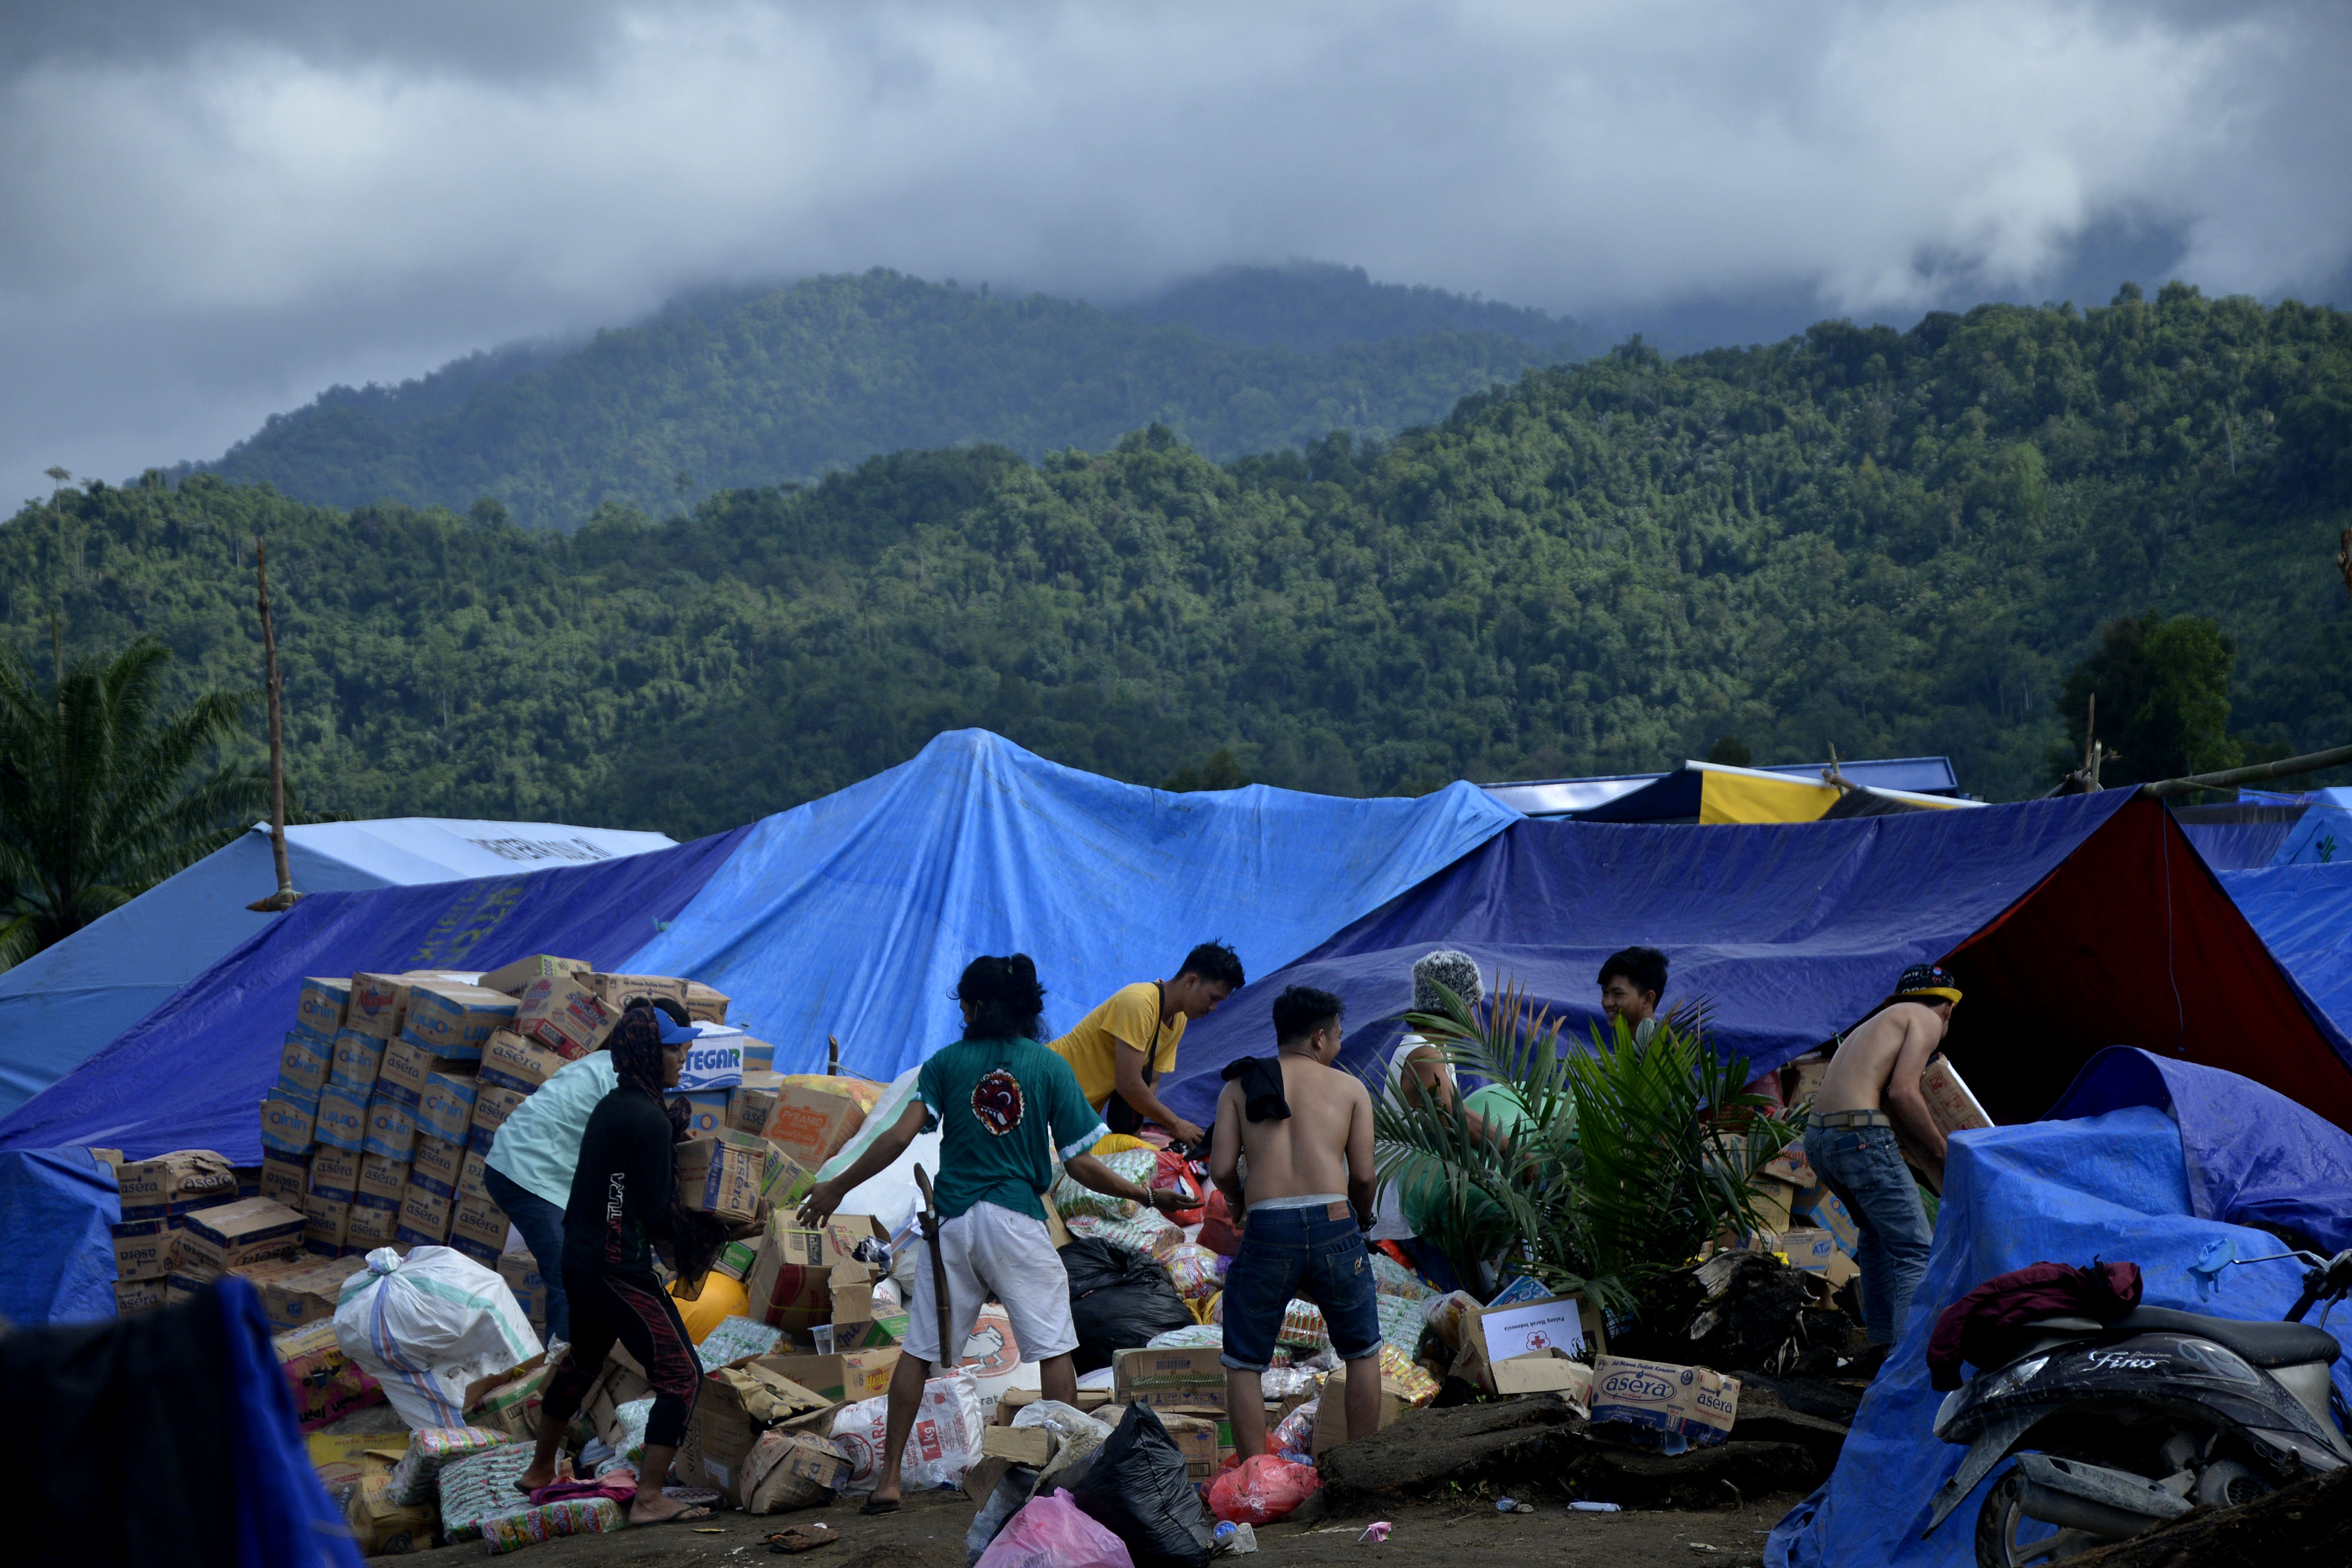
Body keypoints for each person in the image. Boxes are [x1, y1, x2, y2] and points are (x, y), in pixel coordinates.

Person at [798, 954, 1193, 1514]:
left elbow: (896, 1137)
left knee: (919, 1352)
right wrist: (1147, 1195)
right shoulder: (1049, 1066)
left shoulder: (946, 1064)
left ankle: (887, 1481)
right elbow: (1082, 1163)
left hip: (952, 1224)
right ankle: (1060, 1479)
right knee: (1055, 1347)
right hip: (1016, 1223)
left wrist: (837, 1186)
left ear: (975, 1007)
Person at [517, 1002, 713, 1524]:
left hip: (581, 1262)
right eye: (674, 1049)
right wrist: (715, 1225)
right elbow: (654, 1211)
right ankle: (649, 1498)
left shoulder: (616, 1105)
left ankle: (540, 1469)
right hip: (616, 1269)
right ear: (651, 1053)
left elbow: (618, 1185)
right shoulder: (648, 1119)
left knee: (583, 1358)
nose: (683, 1057)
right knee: (682, 1375)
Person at [1208, 985, 1383, 1459]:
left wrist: (1240, 1203)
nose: (1340, 1046)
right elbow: (1364, 1175)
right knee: (1362, 1351)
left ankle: (1255, 1479)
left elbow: (1221, 1166)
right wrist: (1362, 1220)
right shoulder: (1349, 1088)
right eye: (1340, 1036)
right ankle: (1359, 1472)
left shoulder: (1240, 1085)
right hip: (1335, 1222)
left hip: (1268, 1228)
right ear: (1321, 1038)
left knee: (1244, 1360)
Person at [484, 995, 696, 1348]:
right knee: (570, 1280)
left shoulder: (607, 1064)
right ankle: (556, 1373)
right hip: (530, 1173)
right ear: (650, 1045)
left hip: (526, 1162)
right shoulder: (621, 1084)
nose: (684, 1059)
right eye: (676, 1048)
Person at [1808, 962, 1962, 1348]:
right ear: (1948, 1008)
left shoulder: (1877, 1024)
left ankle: (1879, 1347)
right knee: (1915, 1250)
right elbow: (1903, 1093)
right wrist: (1945, 1148)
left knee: (1875, 1237)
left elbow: (1897, 1115)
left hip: (1819, 1141)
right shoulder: (1926, 1018)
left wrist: (1937, 1167)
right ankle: (1908, 1364)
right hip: (1859, 1136)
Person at [1047, 941, 1244, 1145]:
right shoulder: (1139, 1003)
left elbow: (1150, 1083)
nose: (1213, 1008)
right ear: (1191, 982)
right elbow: (1129, 1085)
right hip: (1045, 1095)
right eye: (1213, 998)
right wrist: (1176, 1124)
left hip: (1072, 1116)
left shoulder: (1178, 1020)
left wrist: (1136, 1143)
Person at [1598, 945, 1668, 1045]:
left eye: (1618, 994)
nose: (1607, 1003)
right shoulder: (1619, 1056)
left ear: (1648, 999)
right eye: (1605, 993)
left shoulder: (1670, 1055)